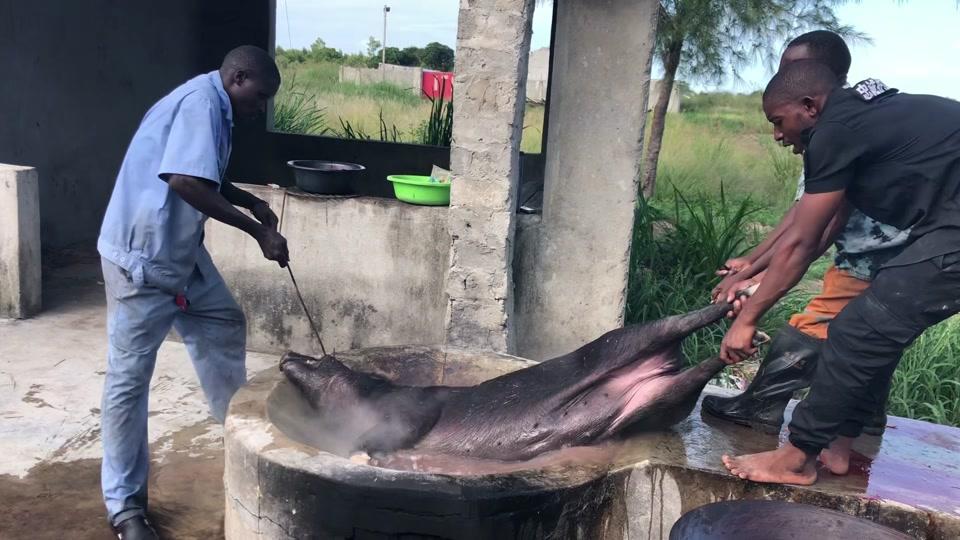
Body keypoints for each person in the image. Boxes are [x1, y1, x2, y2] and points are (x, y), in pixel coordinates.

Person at [719, 59, 960, 485]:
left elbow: (803, 243)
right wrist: (755, 275)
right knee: (871, 328)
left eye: (778, 121)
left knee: (860, 331)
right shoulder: (859, 122)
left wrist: (748, 317)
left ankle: (796, 458)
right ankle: (839, 448)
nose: (777, 134)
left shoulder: (833, 132)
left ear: (809, 106)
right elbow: (825, 226)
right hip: (946, 226)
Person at [97, 45, 289, 538]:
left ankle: (241, 448)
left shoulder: (217, 103)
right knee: (129, 381)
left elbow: (205, 172)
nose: (260, 107)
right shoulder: (201, 103)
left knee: (222, 322)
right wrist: (258, 231)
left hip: (182, 255)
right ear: (238, 77)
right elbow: (184, 179)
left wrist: (249, 200)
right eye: (260, 95)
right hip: (143, 257)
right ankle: (125, 509)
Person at [702, 31, 908, 435]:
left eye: (793, 70)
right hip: (899, 250)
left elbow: (815, 230)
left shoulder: (837, 131)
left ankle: (759, 408)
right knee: (871, 337)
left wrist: (755, 292)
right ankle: (865, 420)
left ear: (820, 81)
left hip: (875, 255)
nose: (785, 78)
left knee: (812, 326)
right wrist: (752, 263)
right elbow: (801, 213)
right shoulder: (853, 115)